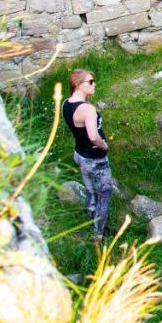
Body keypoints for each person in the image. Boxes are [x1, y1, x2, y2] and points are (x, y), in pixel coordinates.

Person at [62, 68, 112, 243]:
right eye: (90, 82)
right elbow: (92, 135)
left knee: (90, 191)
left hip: (80, 153)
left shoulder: (66, 104)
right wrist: (103, 144)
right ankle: (99, 234)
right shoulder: (87, 109)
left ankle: (94, 220)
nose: (94, 84)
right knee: (104, 196)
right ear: (78, 84)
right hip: (95, 159)